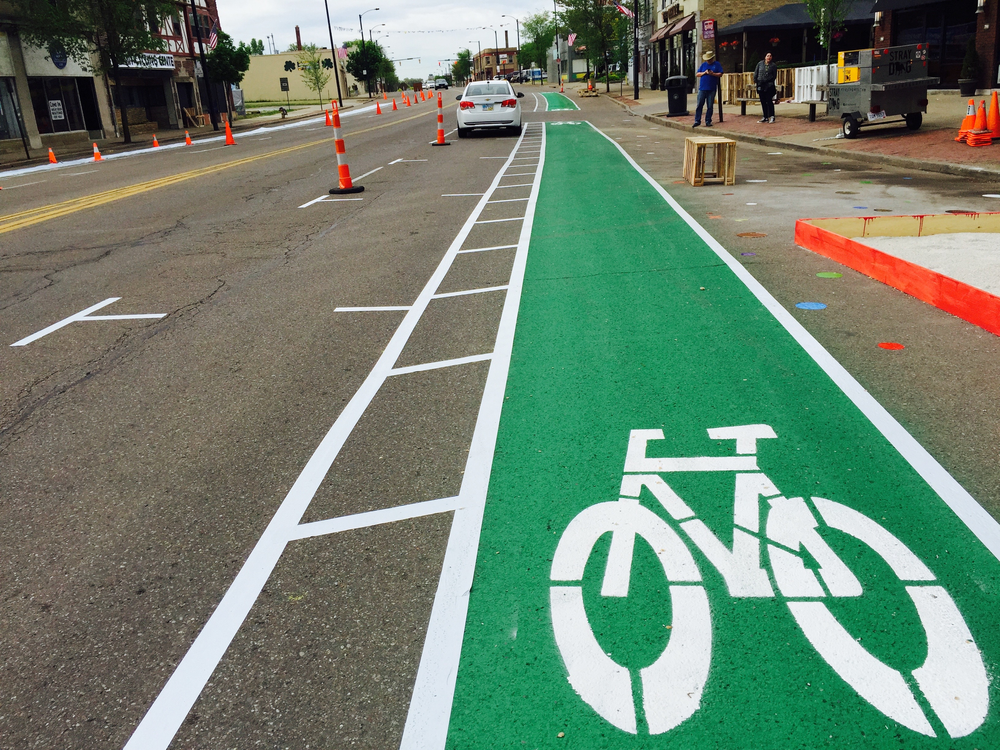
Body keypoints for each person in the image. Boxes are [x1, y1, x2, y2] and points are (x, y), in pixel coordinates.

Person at [693, 50, 723, 128]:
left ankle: (708, 120)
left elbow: (720, 74)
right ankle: (697, 120)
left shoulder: (717, 64)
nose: (708, 61)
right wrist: (704, 73)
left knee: (710, 106)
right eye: (707, 59)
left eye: (710, 59)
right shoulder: (703, 65)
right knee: (699, 104)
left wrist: (713, 74)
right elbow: (697, 74)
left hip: (711, 88)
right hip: (702, 88)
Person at [754, 52, 777, 124]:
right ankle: (765, 116)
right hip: (761, 85)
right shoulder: (760, 64)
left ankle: (772, 116)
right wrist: (757, 81)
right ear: (765, 57)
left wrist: (768, 81)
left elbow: (774, 76)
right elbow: (756, 73)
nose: (769, 57)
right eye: (767, 56)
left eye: (770, 56)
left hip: (769, 86)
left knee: (769, 101)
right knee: (763, 101)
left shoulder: (773, 66)